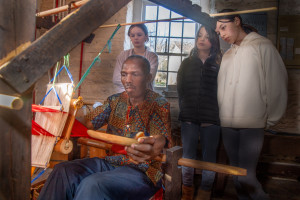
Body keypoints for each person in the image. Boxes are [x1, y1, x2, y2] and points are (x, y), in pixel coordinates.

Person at [38, 55, 172, 200]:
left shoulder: (158, 104)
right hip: (111, 163)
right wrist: (62, 115)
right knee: (62, 170)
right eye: (124, 74)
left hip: (142, 170)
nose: (128, 80)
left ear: (148, 77)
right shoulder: (114, 101)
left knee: (93, 184)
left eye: (135, 74)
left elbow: (160, 137)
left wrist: (153, 145)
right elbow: (87, 123)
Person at [215, 10, 288, 200]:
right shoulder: (228, 55)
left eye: (223, 27)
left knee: (246, 176)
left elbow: (277, 84)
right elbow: (221, 89)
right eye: (218, 31)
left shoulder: (262, 46)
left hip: (252, 124)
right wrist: (223, 114)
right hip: (228, 124)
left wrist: (269, 120)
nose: (221, 34)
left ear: (237, 21)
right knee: (235, 176)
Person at [177, 25, 222, 200]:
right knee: (188, 155)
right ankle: (187, 191)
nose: (202, 39)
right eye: (199, 36)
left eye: (207, 36)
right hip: (188, 118)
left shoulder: (220, 64)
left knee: (209, 157)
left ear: (213, 41)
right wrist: (185, 107)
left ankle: (205, 191)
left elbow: (223, 91)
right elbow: (181, 89)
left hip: (211, 118)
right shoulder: (187, 63)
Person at [113, 24, 158, 93]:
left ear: (146, 36)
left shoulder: (152, 56)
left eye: (139, 35)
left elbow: (148, 78)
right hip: (124, 93)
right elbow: (116, 78)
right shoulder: (123, 55)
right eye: (132, 35)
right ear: (130, 37)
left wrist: (127, 80)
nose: (136, 38)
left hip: (144, 95)